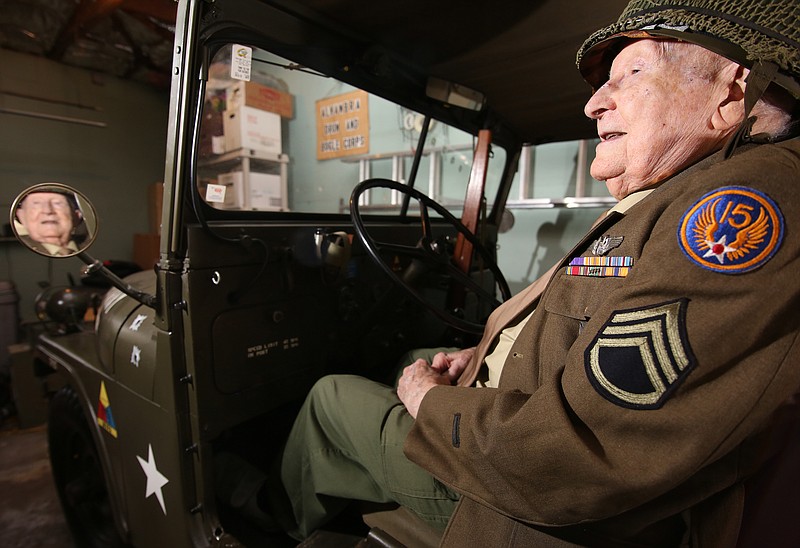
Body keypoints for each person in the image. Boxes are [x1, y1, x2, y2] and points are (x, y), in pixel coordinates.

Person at [216, 0, 800, 545]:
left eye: (631, 75)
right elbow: (596, 324)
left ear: (730, 92)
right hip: (514, 439)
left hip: (510, 504)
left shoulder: (742, 204)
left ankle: (265, 522)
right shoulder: (674, 196)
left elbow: (583, 454)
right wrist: (483, 356)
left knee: (329, 396)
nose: (595, 103)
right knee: (407, 360)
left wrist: (430, 405)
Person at [14, 189, 84, 256]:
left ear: (77, 216)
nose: (48, 211)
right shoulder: (19, 254)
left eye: (57, 203)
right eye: (36, 204)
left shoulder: (90, 249)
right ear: (21, 216)